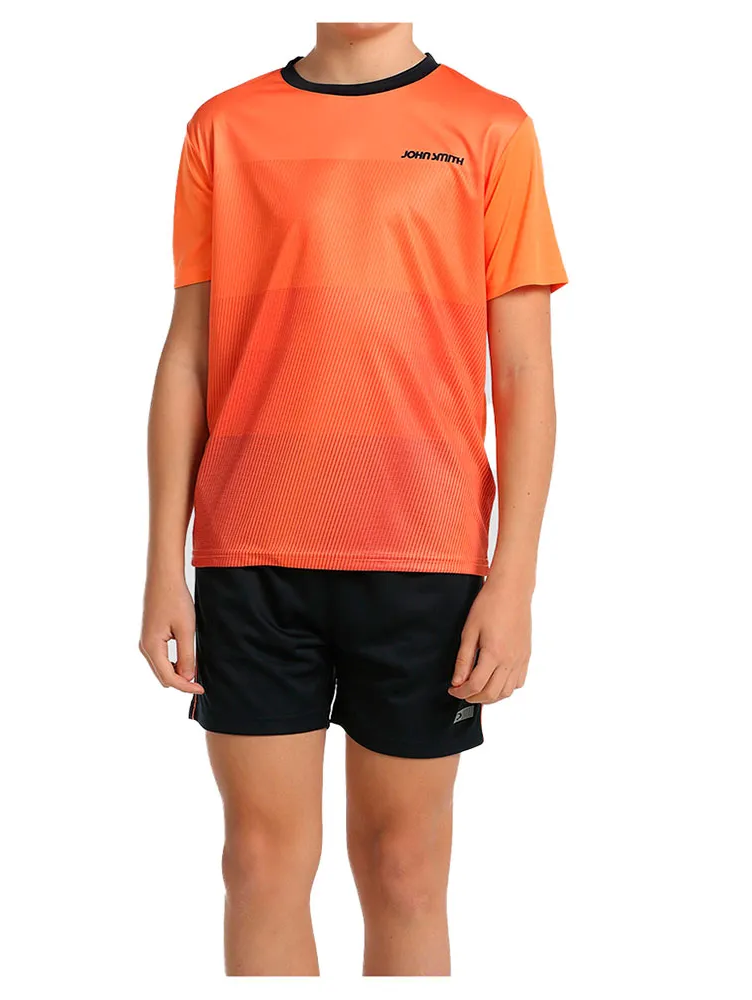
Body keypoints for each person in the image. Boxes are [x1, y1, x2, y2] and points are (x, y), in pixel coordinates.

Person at [139, 22, 567, 977]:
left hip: (426, 554)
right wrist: (164, 565)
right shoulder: (224, 127)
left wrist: (515, 580)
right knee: (258, 865)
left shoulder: (491, 129)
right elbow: (187, 355)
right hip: (250, 551)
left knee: (406, 871)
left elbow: (526, 373)